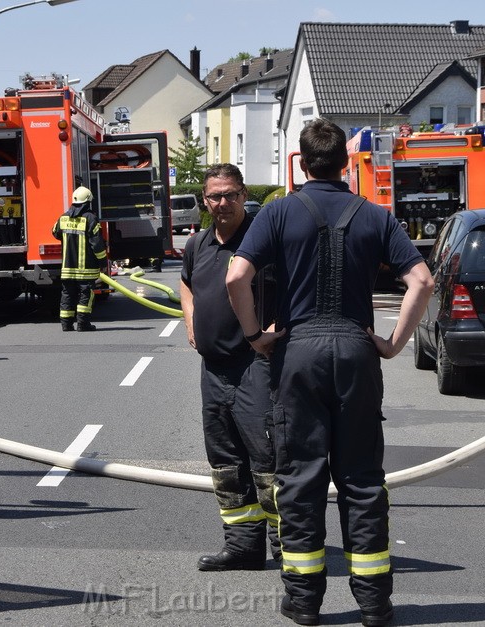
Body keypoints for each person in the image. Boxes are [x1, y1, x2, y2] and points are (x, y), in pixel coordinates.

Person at [226, 118, 434, 627]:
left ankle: (303, 602)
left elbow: (237, 275)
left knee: (300, 477)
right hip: (357, 349)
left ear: (300, 162)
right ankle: (374, 604)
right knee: (362, 479)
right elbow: (422, 281)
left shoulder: (277, 213)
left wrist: (256, 336)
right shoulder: (375, 215)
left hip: (297, 350)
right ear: (345, 164)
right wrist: (391, 344)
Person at [180, 163, 279, 572]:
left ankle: (290, 549)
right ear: (205, 200)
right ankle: (243, 547)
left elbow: (299, 286)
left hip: (255, 365)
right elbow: (186, 283)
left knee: (268, 462)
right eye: (215, 196)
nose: (223, 204)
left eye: (231, 195)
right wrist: (190, 322)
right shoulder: (198, 245)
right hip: (213, 368)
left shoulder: (264, 241)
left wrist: (273, 330)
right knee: (225, 463)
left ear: (243, 196)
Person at [52, 186, 107, 331]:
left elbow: (55, 232)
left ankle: (66, 324)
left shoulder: (63, 218)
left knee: (67, 295)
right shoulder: (90, 218)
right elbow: (97, 244)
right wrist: (103, 262)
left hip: (67, 268)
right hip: (85, 269)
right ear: (88, 201)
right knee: (85, 295)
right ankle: (83, 324)